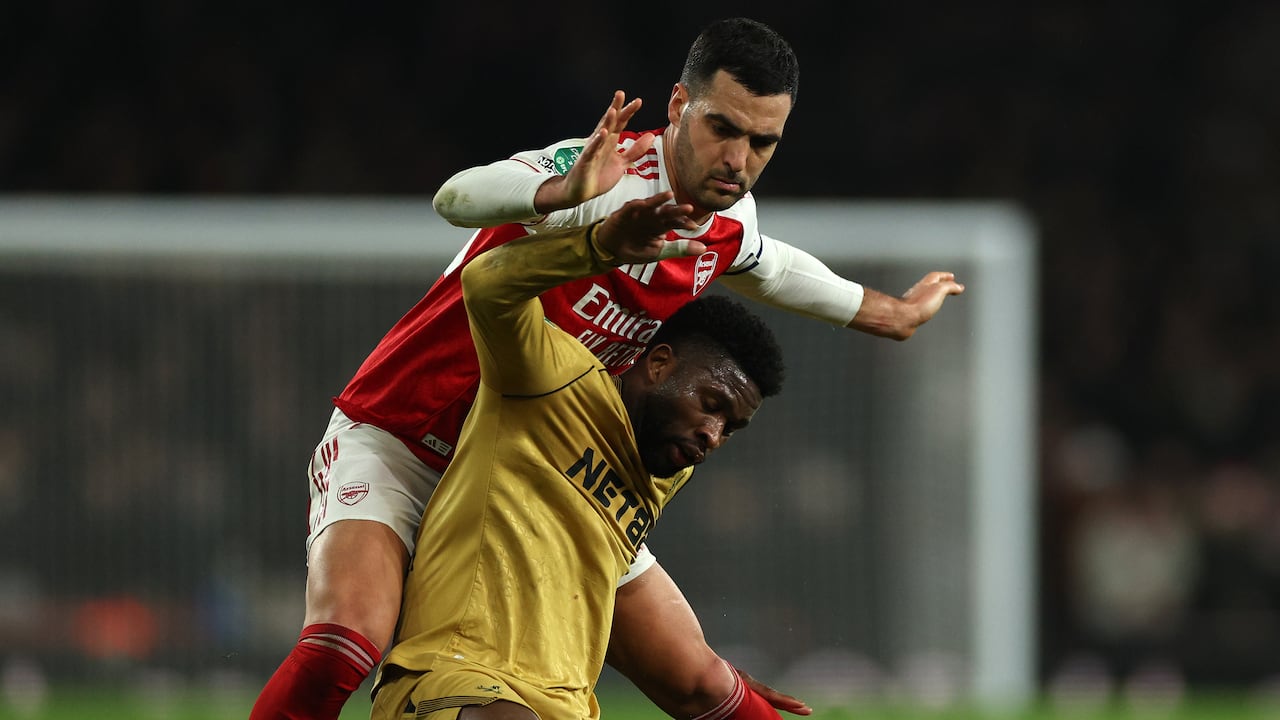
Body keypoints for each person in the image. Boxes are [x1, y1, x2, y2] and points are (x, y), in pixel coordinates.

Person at [251, 17, 963, 720]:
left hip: (537, 474)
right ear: (679, 106)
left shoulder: (725, 224)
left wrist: (889, 315)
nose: (737, 159)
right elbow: (456, 196)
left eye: (761, 141)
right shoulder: (601, 171)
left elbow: (774, 266)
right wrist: (561, 196)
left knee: (702, 683)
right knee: (348, 640)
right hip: (410, 439)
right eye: (723, 128)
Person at [372, 193, 787, 720]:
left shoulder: (660, 473)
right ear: (658, 363)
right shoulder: (551, 376)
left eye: (731, 427)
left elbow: (688, 677)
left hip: (565, 706)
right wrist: (598, 246)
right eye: (711, 404)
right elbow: (485, 282)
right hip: (455, 681)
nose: (713, 434)